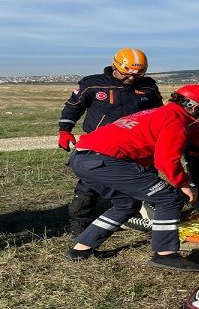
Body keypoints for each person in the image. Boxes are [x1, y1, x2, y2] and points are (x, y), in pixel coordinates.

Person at [65, 84, 199, 272]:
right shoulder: (176, 119)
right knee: (168, 198)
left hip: (83, 157)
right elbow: (166, 160)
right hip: (104, 160)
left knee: (126, 204)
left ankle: (81, 249)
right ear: (195, 107)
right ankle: (166, 254)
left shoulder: (156, 112)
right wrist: (185, 184)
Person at [57, 48, 163, 234]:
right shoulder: (93, 84)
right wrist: (65, 131)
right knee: (89, 187)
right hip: (100, 147)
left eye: (138, 73)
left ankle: (147, 219)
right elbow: (73, 107)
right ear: (115, 67)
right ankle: (80, 227)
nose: (132, 78)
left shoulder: (148, 86)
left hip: (136, 145)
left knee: (146, 180)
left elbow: (158, 113)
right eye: (126, 73)